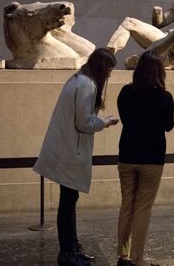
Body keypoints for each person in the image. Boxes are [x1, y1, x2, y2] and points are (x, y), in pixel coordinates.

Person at [33, 48, 119, 266]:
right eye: (109, 70)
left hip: (66, 148)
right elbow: (84, 123)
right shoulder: (87, 85)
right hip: (70, 151)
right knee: (68, 201)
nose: (109, 75)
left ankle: (72, 246)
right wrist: (105, 122)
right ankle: (68, 250)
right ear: (101, 67)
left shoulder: (78, 80)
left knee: (68, 200)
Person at [115, 51, 174, 266]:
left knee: (127, 204)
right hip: (152, 156)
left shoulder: (125, 92)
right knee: (143, 208)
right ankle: (137, 258)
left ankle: (122, 255)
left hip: (127, 154)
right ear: (159, 72)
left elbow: (124, 118)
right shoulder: (165, 97)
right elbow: (168, 126)